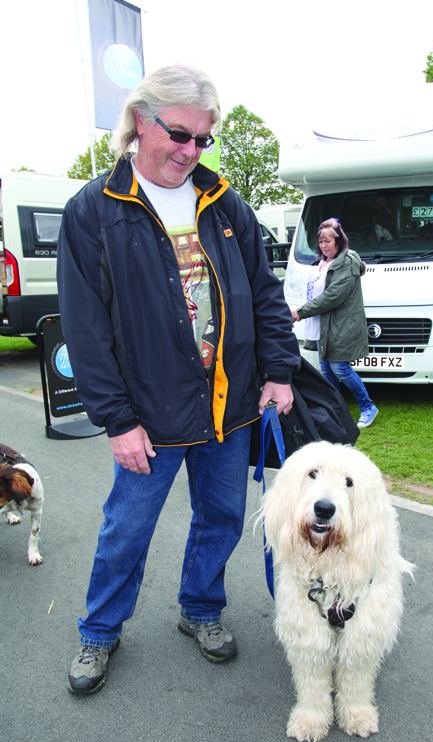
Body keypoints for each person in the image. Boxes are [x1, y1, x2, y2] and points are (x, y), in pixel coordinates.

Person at [57, 63, 300, 694]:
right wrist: (118, 421)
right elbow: (86, 330)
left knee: (221, 517)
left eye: (202, 139)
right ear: (140, 122)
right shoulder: (94, 210)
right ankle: (99, 632)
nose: (190, 151)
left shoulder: (224, 203)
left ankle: (200, 610)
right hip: (150, 416)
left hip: (230, 408)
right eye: (179, 134)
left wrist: (278, 370)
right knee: (127, 529)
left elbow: (266, 295)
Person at [290, 218, 378, 429]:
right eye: (321, 242)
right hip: (324, 325)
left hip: (341, 325)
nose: (323, 245)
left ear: (339, 241)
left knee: (340, 369)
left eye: (328, 241)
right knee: (327, 370)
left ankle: (368, 407)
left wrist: (300, 313)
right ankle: (335, 410)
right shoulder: (324, 262)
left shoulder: (346, 262)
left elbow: (333, 296)